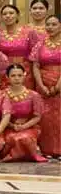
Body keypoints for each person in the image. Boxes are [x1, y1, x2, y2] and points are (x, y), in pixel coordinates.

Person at [1, 64, 47, 162]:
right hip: (8, 127)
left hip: (29, 127)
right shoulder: (2, 94)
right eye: (13, 76)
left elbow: (37, 117)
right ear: (7, 77)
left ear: (24, 76)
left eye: (19, 75)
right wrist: (12, 126)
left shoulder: (34, 95)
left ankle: (23, 155)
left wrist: (24, 126)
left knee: (25, 138)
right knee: (11, 138)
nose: (16, 78)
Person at [30, 14, 61, 160]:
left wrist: (58, 85)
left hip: (59, 83)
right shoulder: (40, 44)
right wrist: (41, 85)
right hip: (43, 83)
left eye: (54, 24)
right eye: (48, 24)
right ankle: (46, 149)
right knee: (45, 117)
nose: (50, 28)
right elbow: (35, 65)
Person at [0, 4, 37, 88]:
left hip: (25, 71)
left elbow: (35, 55)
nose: (8, 16)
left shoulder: (29, 32)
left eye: (11, 13)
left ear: (17, 15)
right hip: (5, 71)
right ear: (1, 17)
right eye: (4, 14)